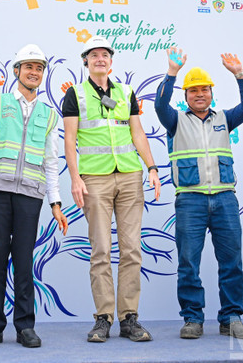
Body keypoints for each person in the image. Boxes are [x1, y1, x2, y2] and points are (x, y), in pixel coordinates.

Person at [0, 44, 68, 349]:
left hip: (30, 195)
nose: (34, 73)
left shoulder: (49, 114)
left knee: (24, 260)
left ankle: (25, 326)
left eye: (39, 68)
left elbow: (50, 161)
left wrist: (56, 203)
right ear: (16, 71)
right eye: (28, 67)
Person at [62, 35, 161, 343]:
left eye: (105, 54)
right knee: (101, 250)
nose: (100, 59)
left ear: (111, 60)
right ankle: (103, 317)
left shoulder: (125, 92)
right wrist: (75, 178)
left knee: (131, 249)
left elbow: (137, 132)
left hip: (130, 176)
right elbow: (69, 140)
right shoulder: (75, 94)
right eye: (94, 55)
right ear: (86, 61)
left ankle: (129, 317)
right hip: (95, 179)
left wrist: (152, 168)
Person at [154, 48, 243, 340]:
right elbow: (160, 104)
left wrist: (240, 74)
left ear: (212, 93)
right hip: (190, 200)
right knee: (188, 261)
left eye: (205, 89)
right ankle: (192, 318)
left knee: (231, 261)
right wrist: (172, 72)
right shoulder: (175, 120)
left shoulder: (225, 118)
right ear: (185, 95)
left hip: (225, 198)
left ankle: (232, 317)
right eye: (194, 90)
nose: (200, 94)